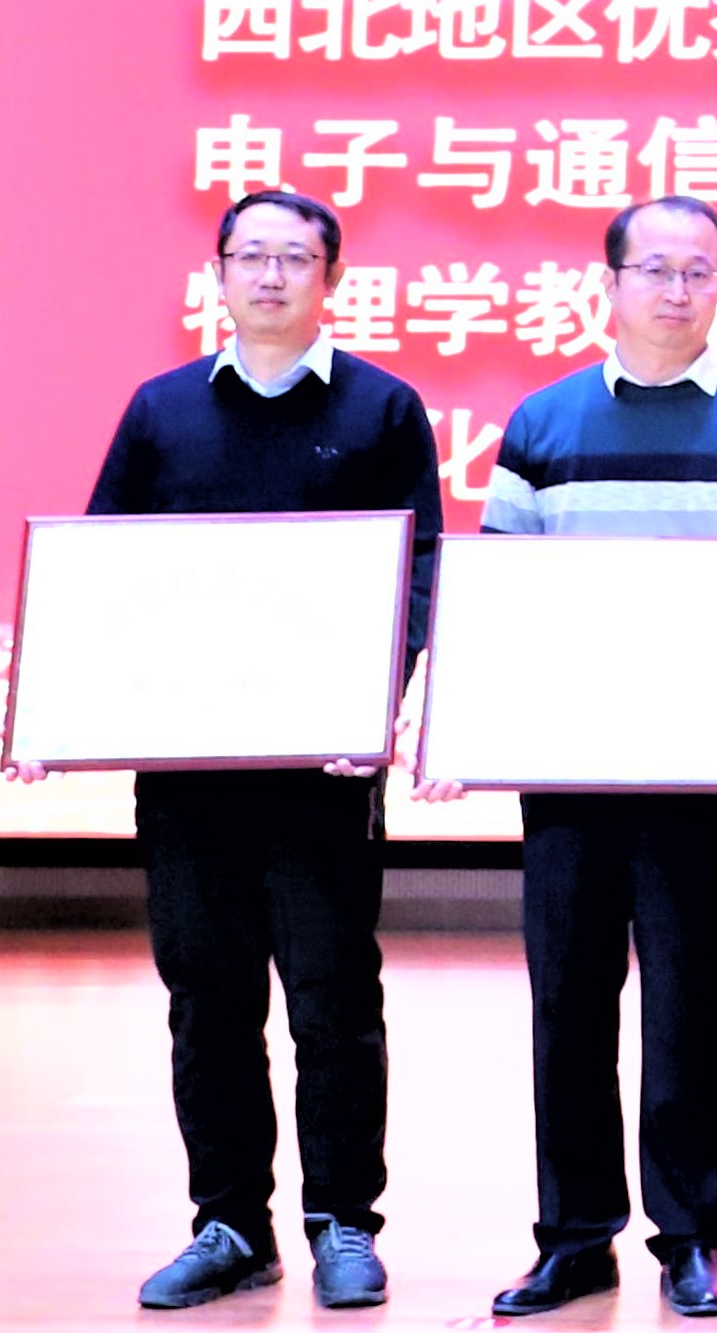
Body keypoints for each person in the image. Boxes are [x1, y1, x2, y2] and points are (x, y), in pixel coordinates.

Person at [76, 188, 445, 1314]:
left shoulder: (382, 408)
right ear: (219, 272)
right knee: (208, 999)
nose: (271, 275)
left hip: (322, 771)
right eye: (251, 255)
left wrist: (375, 702)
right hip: (188, 769)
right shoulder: (162, 409)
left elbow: (420, 571)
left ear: (332, 277)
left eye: (294, 257)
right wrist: (68, 714)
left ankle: (344, 1222)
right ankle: (231, 1221)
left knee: (334, 1000)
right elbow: (102, 568)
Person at [466, 196, 717, 1323]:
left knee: (685, 1004)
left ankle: (691, 1237)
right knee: (568, 1004)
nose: (677, 289)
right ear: (610, 281)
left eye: (699, 270)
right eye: (655, 269)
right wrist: (474, 729)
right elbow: (500, 599)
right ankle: (575, 1237)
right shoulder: (542, 420)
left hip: (698, 773)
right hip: (567, 770)